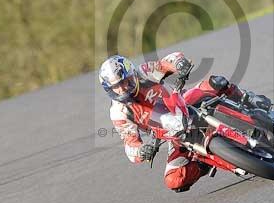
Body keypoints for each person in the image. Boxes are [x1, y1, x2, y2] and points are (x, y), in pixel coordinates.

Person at [98, 52, 245, 192]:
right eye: (116, 86)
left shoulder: (143, 72)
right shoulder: (118, 112)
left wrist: (180, 64)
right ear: (109, 89)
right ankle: (204, 162)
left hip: (184, 103)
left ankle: (248, 101)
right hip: (172, 133)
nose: (123, 88)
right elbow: (129, 143)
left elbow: (167, 62)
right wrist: (141, 151)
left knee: (214, 83)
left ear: (132, 74)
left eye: (125, 81)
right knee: (174, 179)